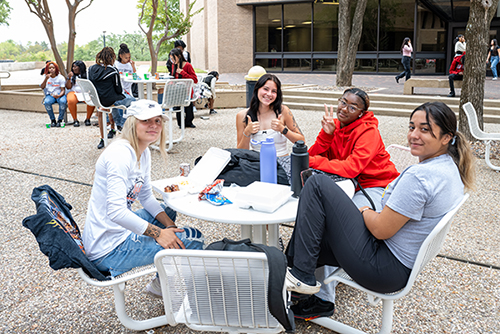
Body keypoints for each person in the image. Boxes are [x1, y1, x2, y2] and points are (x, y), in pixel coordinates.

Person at [285, 101, 475, 320]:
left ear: (446, 137)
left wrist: (364, 209)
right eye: (411, 127)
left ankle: (299, 279)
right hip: (398, 263)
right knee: (311, 236)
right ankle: (303, 292)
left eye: (425, 129)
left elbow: (381, 230)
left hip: (382, 268)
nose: (414, 135)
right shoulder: (450, 167)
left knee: (317, 185)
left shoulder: (420, 177)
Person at [82, 99, 205, 297]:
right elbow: (116, 212)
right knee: (194, 238)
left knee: (167, 211)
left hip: (115, 231)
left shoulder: (143, 151)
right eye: (146, 120)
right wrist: (159, 234)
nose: (154, 126)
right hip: (107, 249)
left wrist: (169, 226)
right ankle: (190, 297)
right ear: (132, 123)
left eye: (158, 121)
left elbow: (146, 197)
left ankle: (159, 283)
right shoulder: (120, 154)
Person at [294, 88, 399, 319]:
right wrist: (327, 134)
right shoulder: (338, 126)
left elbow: (350, 167)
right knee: (319, 218)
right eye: (343, 102)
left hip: (375, 187)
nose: (344, 108)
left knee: (333, 227)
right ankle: (307, 276)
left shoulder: (368, 132)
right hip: (351, 184)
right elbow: (314, 153)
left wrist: (316, 161)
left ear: (362, 113)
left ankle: (323, 299)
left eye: (352, 107)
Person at [236, 73, 305, 182]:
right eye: (266, 89)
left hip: (282, 165)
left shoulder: (283, 111)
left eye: (274, 91)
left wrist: (283, 129)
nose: (269, 94)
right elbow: (240, 152)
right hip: (256, 164)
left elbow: (301, 141)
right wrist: (247, 132)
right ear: (257, 89)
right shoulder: (242, 116)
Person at [88, 47, 136, 149]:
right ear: (113, 58)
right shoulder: (113, 70)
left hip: (97, 100)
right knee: (134, 102)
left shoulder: (91, 69)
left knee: (110, 104)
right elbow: (118, 90)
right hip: (109, 100)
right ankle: (121, 125)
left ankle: (112, 129)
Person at [169, 47, 198, 128]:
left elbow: (195, 79)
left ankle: (189, 121)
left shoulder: (188, 65)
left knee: (188, 106)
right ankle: (180, 123)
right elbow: (173, 77)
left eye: (174, 58)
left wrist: (182, 72)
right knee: (178, 106)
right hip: (177, 90)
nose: (173, 61)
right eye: (171, 59)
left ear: (179, 56)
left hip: (187, 90)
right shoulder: (173, 65)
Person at [112, 43, 137, 136]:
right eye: (126, 57)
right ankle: (120, 125)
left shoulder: (130, 65)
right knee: (123, 105)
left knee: (130, 104)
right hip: (119, 90)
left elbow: (135, 76)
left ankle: (121, 124)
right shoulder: (116, 64)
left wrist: (133, 66)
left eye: (129, 57)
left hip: (128, 89)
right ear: (120, 56)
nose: (128, 59)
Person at [65, 60, 96, 127]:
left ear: (80, 67)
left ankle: (88, 119)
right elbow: (68, 87)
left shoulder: (87, 74)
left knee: (92, 100)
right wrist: (69, 78)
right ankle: (75, 120)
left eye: (75, 67)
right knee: (71, 100)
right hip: (74, 92)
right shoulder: (72, 75)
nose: (73, 68)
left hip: (85, 93)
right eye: (73, 67)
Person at [40, 61, 67, 128]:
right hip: (50, 95)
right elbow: (42, 87)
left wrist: (59, 95)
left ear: (56, 69)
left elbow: (63, 90)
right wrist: (46, 79)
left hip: (59, 95)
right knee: (47, 102)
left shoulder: (60, 78)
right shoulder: (46, 77)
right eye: (50, 68)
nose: (51, 69)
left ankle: (60, 120)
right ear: (47, 69)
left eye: (53, 68)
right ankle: (53, 120)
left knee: (63, 102)